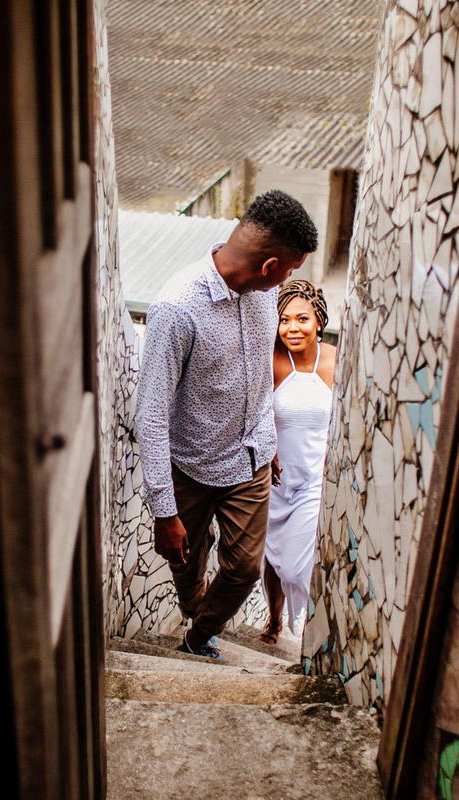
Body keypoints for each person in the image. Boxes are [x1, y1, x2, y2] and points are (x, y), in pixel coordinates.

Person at [135, 190, 318, 660]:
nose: (289, 278)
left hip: (251, 458)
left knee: (243, 571)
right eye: (291, 268)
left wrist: (270, 438)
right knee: (185, 560)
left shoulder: (265, 292)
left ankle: (198, 636)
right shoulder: (176, 308)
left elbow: (259, 370)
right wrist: (164, 510)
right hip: (190, 466)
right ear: (270, 264)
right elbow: (151, 413)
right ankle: (196, 613)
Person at [259, 279, 335, 645]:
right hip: (275, 483)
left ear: (318, 321)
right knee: (272, 560)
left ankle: (308, 633)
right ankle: (273, 622)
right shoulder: (271, 360)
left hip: (314, 482)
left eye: (302, 319)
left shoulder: (336, 360)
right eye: (284, 320)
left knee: (293, 567)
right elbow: (253, 412)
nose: (292, 328)